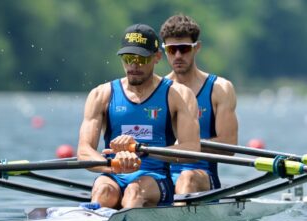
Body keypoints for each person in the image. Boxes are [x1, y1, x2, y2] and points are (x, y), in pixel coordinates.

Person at [77, 23, 200, 209]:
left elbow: (192, 150)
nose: (133, 65)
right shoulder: (101, 95)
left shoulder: (178, 95)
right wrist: (114, 165)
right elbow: (84, 152)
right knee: (103, 192)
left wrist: (142, 150)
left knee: (133, 193)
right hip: (114, 173)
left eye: (141, 59)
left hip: (155, 176)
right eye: (128, 58)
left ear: (157, 57)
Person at [160, 14, 238, 194]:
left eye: (184, 49)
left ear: (197, 48)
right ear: (164, 51)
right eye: (172, 50)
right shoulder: (157, 90)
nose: (178, 55)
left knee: (187, 178)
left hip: (201, 174)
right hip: (159, 174)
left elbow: (229, 146)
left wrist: (188, 145)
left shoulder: (220, 89)